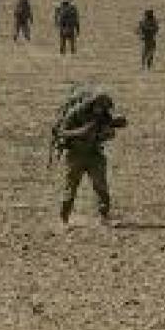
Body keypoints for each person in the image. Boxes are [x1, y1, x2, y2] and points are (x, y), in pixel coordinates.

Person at [52, 87, 127, 226]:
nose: (101, 110)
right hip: (75, 155)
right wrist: (81, 131)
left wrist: (109, 129)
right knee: (70, 188)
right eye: (100, 107)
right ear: (92, 104)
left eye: (104, 108)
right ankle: (64, 219)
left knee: (101, 186)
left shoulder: (103, 115)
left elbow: (114, 127)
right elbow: (60, 132)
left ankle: (104, 216)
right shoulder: (75, 113)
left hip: (94, 154)